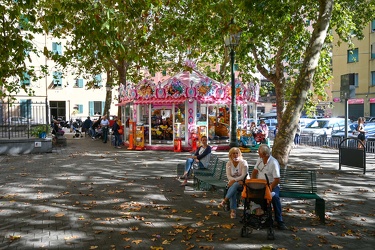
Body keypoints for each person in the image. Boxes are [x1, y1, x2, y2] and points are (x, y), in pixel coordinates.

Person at [251, 144, 287, 230]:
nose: (258, 153)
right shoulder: (260, 159)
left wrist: (269, 188)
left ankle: (279, 220)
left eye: (259, 152)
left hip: (272, 185)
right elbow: (254, 172)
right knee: (253, 196)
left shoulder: (273, 163)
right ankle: (262, 216)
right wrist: (253, 182)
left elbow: (277, 180)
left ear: (264, 154)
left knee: (275, 198)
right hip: (260, 184)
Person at [219, 147, 249, 219]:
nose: (235, 155)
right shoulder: (229, 163)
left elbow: (244, 175)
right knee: (234, 188)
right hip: (234, 183)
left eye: (237, 153)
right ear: (230, 155)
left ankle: (225, 201)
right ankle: (233, 210)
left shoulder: (243, 163)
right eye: (233, 153)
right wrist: (235, 180)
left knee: (234, 185)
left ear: (239, 154)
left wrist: (234, 180)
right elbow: (228, 176)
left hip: (244, 183)